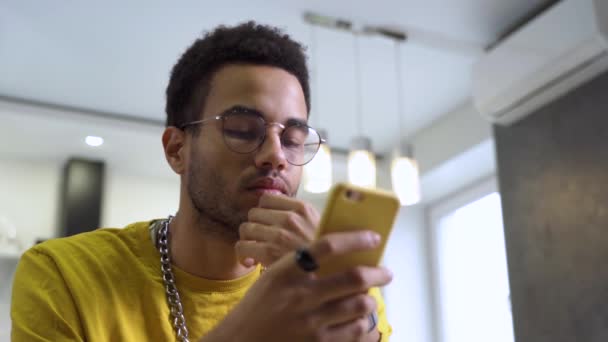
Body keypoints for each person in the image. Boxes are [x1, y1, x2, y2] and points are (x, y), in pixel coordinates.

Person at [11, 21, 393, 341]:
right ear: (177, 149)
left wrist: (352, 316)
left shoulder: (338, 282)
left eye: (292, 139)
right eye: (244, 130)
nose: (276, 155)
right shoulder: (63, 275)